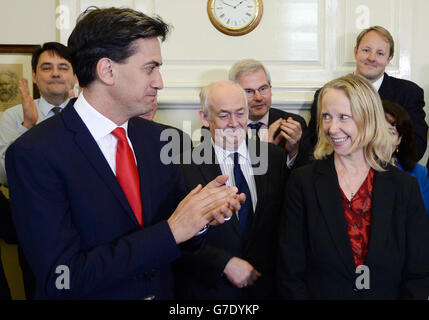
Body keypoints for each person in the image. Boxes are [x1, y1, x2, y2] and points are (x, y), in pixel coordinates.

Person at [5, 7, 242, 300]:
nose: (160, 82)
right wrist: (172, 230)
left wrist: (200, 220)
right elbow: (61, 278)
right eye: (149, 68)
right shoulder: (34, 154)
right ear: (107, 70)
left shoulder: (162, 141)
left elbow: (179, 245)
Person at [277, 74, 429, 299]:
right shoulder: (303, 182)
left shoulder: (404, 187)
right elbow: (290, 273)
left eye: (343, 117)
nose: (332, 127)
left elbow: (418, 273)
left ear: (368, 119)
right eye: (326, 116)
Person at [174, 80, 289, 300]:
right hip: (211, 292)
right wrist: (223, 263)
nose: (234, 123)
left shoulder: (274, 157)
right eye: (224, 115)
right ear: (205, 118)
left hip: (266, 289)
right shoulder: (182, 167)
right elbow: (173, 240)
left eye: (240, 113)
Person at [308, 26, 427, 160]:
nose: (371, 58)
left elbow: (417, 146)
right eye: (366, 50)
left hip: (389, 174)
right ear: (355, 52)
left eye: (380, 53)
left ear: (389, 58)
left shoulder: (409, 93)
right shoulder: (326, 94)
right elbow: (314, 143)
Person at [0, 42, 77, 186]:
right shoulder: (14, 116)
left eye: (63, 67)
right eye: (47, 68)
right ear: (34, 76)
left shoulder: (85, 114)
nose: (55, 73)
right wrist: (27, 126)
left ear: (74, 77)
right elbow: (5, 176)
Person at [228, 59, 312, 169]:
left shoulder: (294, 123)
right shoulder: (221, 127)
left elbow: (304, 175)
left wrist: (293, 151)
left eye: (263, 88)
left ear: (270, 89)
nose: (258, 98)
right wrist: (266, 152)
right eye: (248, 91)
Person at [382, 100, 429, 216]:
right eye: (378, 131)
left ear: (399, 139)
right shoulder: (354, 172)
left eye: (391, 132)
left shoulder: (419, 173)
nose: (382, 139)